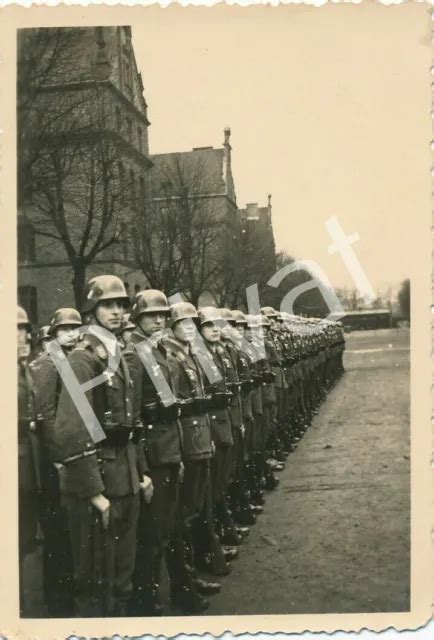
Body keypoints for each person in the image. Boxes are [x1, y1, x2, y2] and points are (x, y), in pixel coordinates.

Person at [51, 275, 151, 617]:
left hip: (124, 478)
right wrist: (94, 492)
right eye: (108, 305)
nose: (117, 311)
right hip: (101, 481)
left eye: (122, 305)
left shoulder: (116, 352)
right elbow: (71, 428)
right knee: (96, 578)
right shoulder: (84, 357)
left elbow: (129, 423)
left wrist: (140, 473)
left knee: (122, 575)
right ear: (92, 311)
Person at [125, 289, 206, 615]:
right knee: (155, 534)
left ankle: (182, 589)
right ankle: (148, 604)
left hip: (171, 449)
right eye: (150, 316)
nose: (158, 320)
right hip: (154, 455)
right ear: (139, 319)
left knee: (174, 527)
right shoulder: (134, 355)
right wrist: (142, 469)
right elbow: (133, 416)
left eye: (162, 315)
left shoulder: (158, 351)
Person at [164, 301, 222, 599]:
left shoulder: (188, 353)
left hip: (199, 439)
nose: (189, 327)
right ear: (172, 326)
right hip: (186, 443)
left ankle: (195, 569)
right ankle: (187, 577)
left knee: (195, 508)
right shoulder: (173, 356)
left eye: (192, 323)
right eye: (182, 323)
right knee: (185, 514)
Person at [31, 308, 82, 616]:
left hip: (69, 454)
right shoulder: (48, 363)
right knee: (57, 529)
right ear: (53, 333)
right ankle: (57, 600)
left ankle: (66, 590)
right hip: (55, 459)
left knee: (68, 527)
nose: (72, 334)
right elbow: (47, 416)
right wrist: (58, 459)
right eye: (65, 329)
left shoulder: (69, 361)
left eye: (76, 328)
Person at [17, 305, 40, 616]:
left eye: (22, 330)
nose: (20, 337)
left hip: (28, 467)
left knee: (21, 543)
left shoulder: (25, 369)